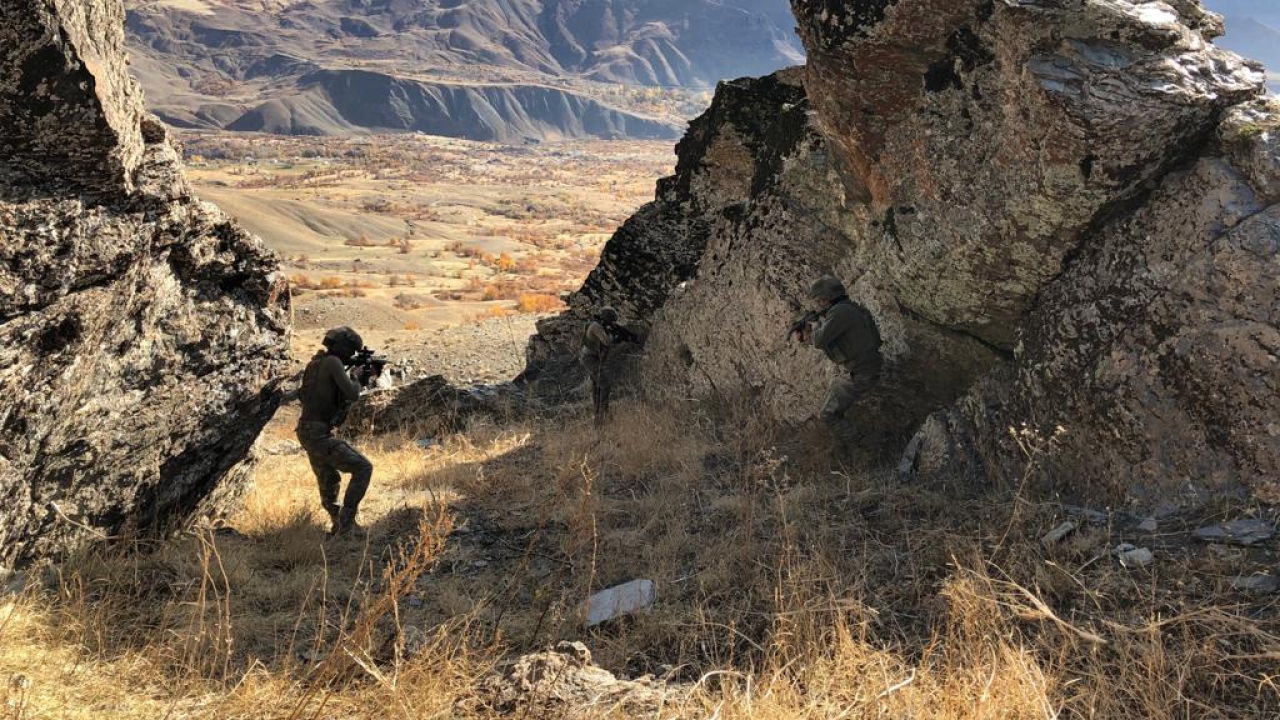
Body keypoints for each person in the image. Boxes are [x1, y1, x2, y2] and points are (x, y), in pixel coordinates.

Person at [791, 276, 883, 457]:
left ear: (827, 298)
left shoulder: (840, 312)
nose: (818, 304)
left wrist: (812, 327)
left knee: (827, 415)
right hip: (862, 368)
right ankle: (842, 449)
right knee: (830, 405)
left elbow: (819, 340)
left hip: (861, 372)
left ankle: (868, 447)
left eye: (819, 300)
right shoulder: (847, 308)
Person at [296, 326, 373, 536]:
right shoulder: (333, 363)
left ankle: (337, 522)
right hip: (319, 433)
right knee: (363, 468)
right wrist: (356, 376)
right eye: (351, 351)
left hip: (306, 430)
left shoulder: (316, 363)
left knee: (328, 478)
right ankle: (347, 525)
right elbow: (353, 394)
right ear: (345, 348)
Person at [579, 306, 638, 424]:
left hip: (594, 358)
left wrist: (627, 336)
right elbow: (607, 341)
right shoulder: (596, 326)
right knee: (604, 385)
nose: (612, 324)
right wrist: (616, 336)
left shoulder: (602, 325)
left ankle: (598, 418)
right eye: (611, 321)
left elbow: (615, 332)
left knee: (598, 386)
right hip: (589, 359)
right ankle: (603, 415)